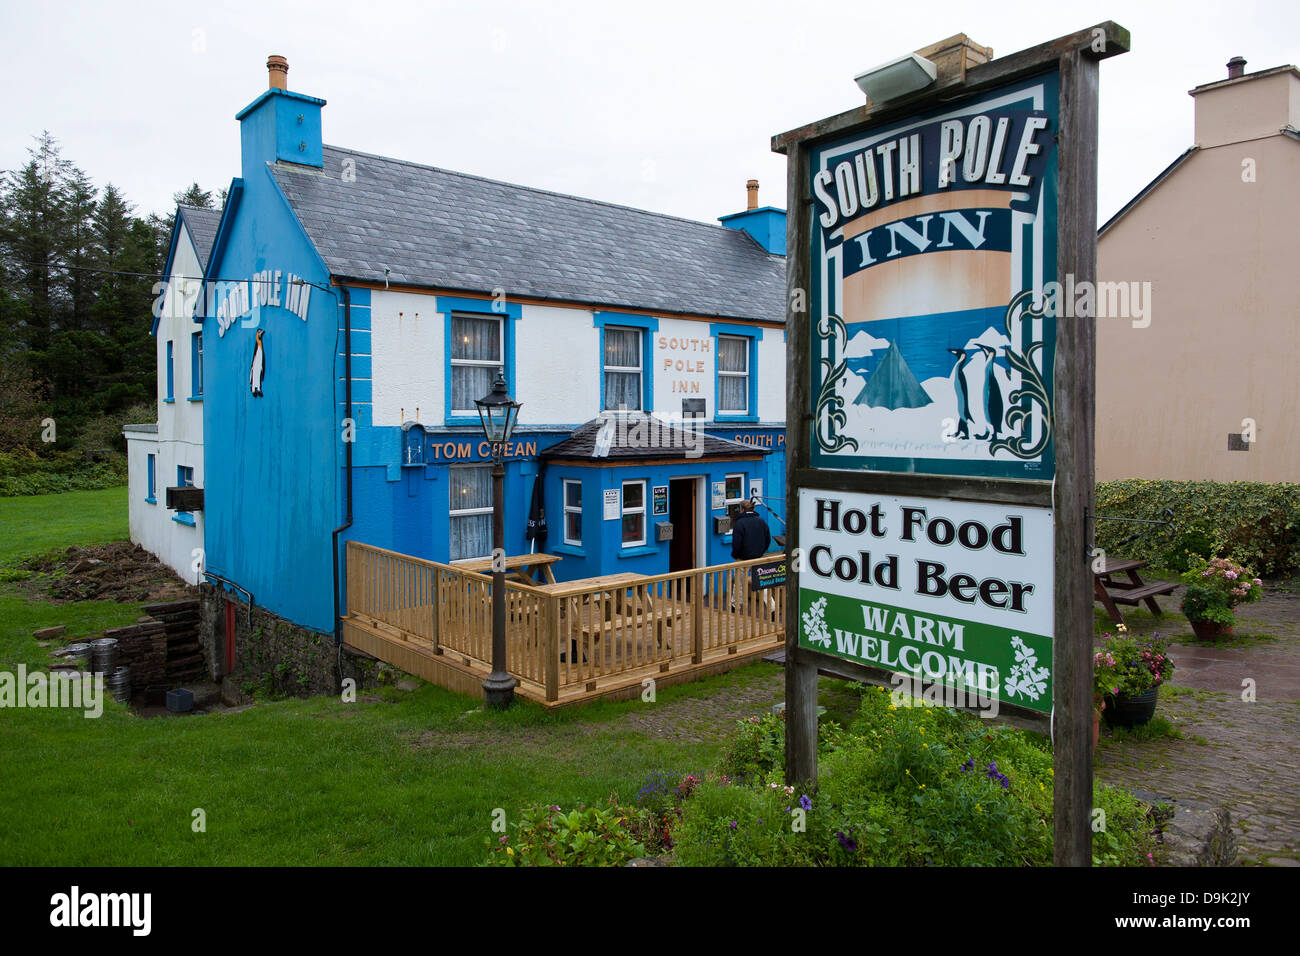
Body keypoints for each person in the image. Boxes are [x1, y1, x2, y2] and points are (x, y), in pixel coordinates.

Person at [730, 499, 772, 613]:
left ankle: (736, 606)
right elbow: (768, 540)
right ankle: (772, 607)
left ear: (742, 509)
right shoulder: (762, 522)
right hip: (758, 557)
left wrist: (736, 555)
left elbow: (736, 543)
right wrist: (760, 552)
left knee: (739, 583)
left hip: (742, 559)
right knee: (761, 582)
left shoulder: (739, 523)